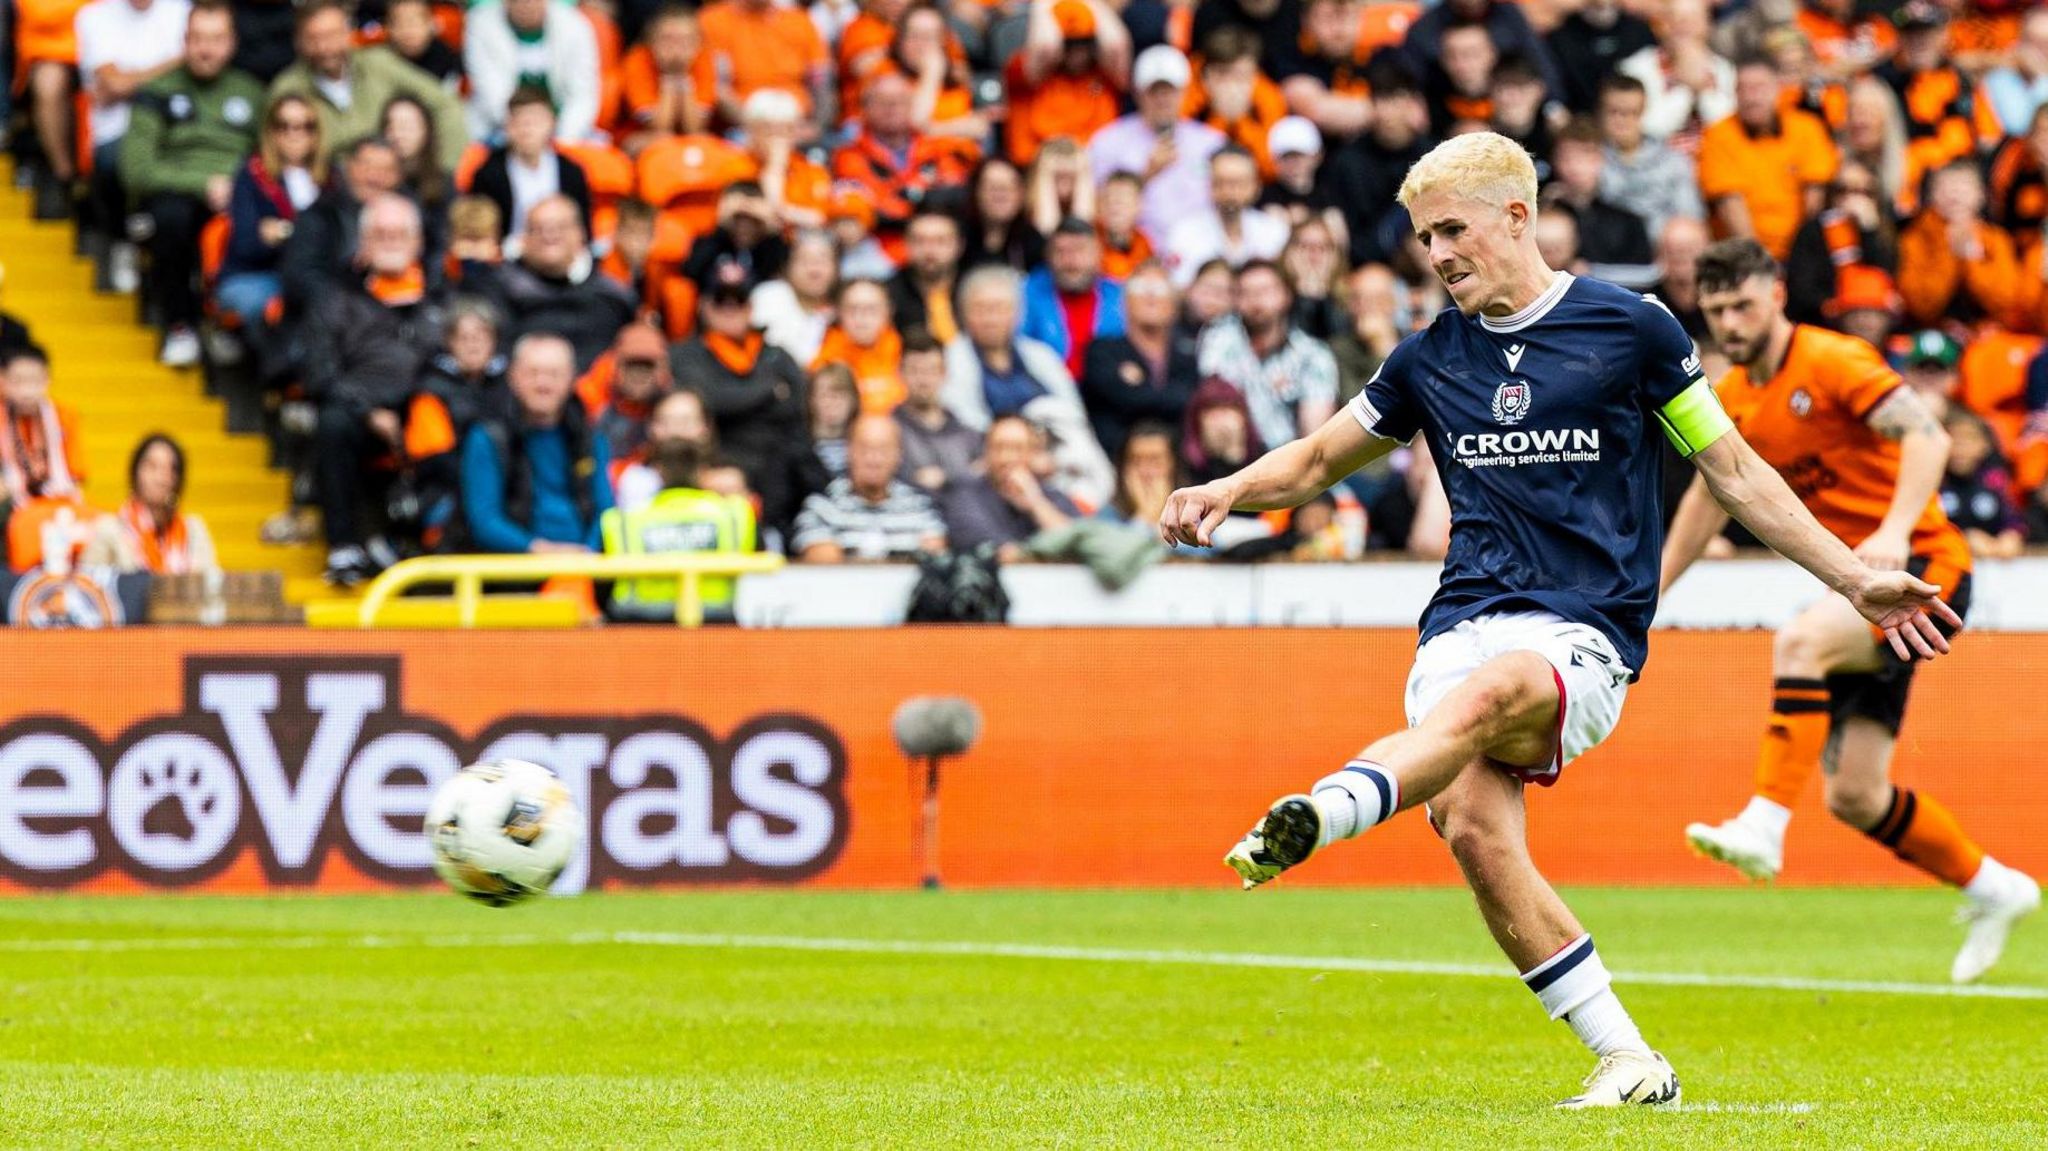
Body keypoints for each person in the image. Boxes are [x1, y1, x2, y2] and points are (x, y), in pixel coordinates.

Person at [1164, 132, 1958, 1107]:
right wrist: (1224, 487)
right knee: (1473, 830)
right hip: (1457, 620)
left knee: (1487, 699)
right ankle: (1628, 1057)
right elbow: (1314, 463)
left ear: (1516, 215)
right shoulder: (1424, 358)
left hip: (1580, 633)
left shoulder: (1635, 330)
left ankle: (1320, 810)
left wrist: (1850, 575)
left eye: (1451, 228)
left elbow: (1733, 470)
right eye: (1422, 238)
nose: (1438, 253)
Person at [1667, 239, 2037, 984]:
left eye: (1743, 304)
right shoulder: (1732, 398)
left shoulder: (1833, 361)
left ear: (1776, 293)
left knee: (1803, 642)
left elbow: (1926, 432)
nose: (1732, 322)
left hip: (1926, 569)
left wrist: (1896, 528)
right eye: (1717, 311)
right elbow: (1709, 497)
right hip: (1863, 586)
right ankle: (1998, 887)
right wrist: (1646, 597)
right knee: (1857, 796)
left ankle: (1764, 825)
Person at [303, 194, 451, 585]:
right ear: (363, 243)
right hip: (361, 418)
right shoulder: (336, 298)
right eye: (380, 233)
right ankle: (344, 548)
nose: (390, 241)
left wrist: (418, 407)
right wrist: (371, 412)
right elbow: (319, 374)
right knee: (333, 421)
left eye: (399, 233)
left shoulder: (443, 298)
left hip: (429, 415)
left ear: (418, 242)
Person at [118, 1, 265, 367]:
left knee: (257, 223)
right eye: (197, 38)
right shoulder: (157, 90)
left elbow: (270, 157)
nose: (205, 48)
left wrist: (241, 188)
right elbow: (135, 168)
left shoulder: (252, 92)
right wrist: (204, 184)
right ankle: (180, 326)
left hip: (238, 193)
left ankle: (225, 324)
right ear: (184, 41)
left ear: (232, 43)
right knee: (171, 219)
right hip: (177, 193)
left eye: (216, 39)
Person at [670, 272, 811, 532]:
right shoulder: (685, 355)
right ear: (704, 306)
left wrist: (735, 399)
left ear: (751, 308)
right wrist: (769, 390)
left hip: (776, 474)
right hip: (716, 472)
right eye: (721, 301)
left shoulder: (776, 355)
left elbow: (797, 407)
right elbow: (711, 400)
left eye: (739, 301)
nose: (730, 309)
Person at [460, 332, 615, 554]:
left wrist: (586, 553)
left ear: (572, 378)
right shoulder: (488, 437)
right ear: (513, 376)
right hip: (513, 572)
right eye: (532, 373)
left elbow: (606, 512)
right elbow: (484, 520)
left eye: (554, 374)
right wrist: (540, 550)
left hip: (583, 569)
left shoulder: (590, 438)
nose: (543, 384)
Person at [268, 0, 466, 170]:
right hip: (326, 193)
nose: (324, 47)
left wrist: (446, 171)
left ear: (348, 32)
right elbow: (272, 155)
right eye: (314, 38)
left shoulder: (379, 63)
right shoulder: (287, 89)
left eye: (332, 35)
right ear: (299, 41)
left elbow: (444, 105)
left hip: (392, 180)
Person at [465, 195, 638, 372]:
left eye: (560, 227)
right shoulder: (496, 291)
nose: (549, 236)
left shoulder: (613, 296)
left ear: (580, 234)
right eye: (538, 229)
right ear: (523, 238)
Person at [600, 440, 757, 621]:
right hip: (715, 628)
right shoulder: (735, 515)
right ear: (702, 471)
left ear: (658, 471)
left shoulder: (623, 521)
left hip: (639, 628)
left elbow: (603, 587)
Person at [1086, 43, 1223, 249]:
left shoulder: (1211, 142)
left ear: (1184, 91)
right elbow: (1094, 207)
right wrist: (1145, 175)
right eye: (1154, 91)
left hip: (1201, 254)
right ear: (1138, 93)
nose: (1162, 99)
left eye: (1169, 91)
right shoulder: (1107, 142)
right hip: (1132, 253)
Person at [1196, 259, 1336, 449]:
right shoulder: (1219, 339)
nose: (1256, 300)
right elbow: (1212, 403)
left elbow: (1314, 436)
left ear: (1286, 295)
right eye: (1246, 292)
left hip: (1291, 461)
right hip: (1231, 461)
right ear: (1235, 299)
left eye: (1265, 291)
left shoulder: (1313, 355)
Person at [217, 93, 327, 332]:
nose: (294, 134)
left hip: (314, 277)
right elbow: (247, 244)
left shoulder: (331, 178)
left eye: (304, 127)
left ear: (316, 132)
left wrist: (283, 232)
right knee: (270, 307)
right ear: (270, 132)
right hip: (259, 275)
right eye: (283, 126)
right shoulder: (251, 174)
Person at [790, 414, 947, 561]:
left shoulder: (920, 507)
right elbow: (822, 564)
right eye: (865, 449)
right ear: (848, 451)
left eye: (883, 449)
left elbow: (934, 556)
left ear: (899, 455)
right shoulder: (822, 507)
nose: (873, 459)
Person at [1078, 262, 1193, 460]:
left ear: (1174, 304)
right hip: (1113, 460)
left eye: (1159, 289)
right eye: (1141, 287)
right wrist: (1166, 397)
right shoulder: (1101, 350)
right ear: (1124, 301)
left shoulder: (1187, 356)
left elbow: (1190, 399)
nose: (1150, 296)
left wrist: (1139, 389)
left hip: (1177, 464)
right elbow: (1119, 397)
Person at [935, 413, 1078, 557]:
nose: (1006, 458)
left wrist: (1035, 503)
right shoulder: (964, 492)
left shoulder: (1052, 496)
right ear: (986, 451)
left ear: (1032, 452)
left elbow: (1079, 542)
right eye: (998, 447)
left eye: (1017, 448)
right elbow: (980, 542)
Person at [468, 86, 595, 245]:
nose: (527, 129)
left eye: (535, 121)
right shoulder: (488, 174)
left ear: (552, 123)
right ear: (507, 127)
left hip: (561, 254)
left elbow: (583, 230)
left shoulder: (571, 172)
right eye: (520, 122)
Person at [463, 0, 603, 143]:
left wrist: (563, 139)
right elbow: (490, 91)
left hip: (564, 128)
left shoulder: (575, 25)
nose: (526, 5)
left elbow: (583, 93)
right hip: (499, 127)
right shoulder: (481, 24)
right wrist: (523, 132)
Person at [89, 433, 218, 574]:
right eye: (152, 466)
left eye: (170, 469)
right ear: (135, 473)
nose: (161, 478)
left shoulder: (193, 530)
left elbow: (208, 584)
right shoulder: (110, 529)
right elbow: (87, 587)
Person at [1163, 146, 1288, 288]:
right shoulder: (1184, 232)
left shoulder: (1275, 230)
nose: (1230, 191)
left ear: (1256, 186)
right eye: (1221, 182)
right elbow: (1178, 287)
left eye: (1239, 183)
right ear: (1210, 185)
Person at [1021, 218, 1125, 380]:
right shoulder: (1027, 294)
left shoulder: (1120, 297)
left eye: (1079, 251)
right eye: (1061, 252)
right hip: (1046, 389)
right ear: (1048, 257)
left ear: (1098, 255)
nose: (1070, 262)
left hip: (1110, 391)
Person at [894, 330, 980, 493]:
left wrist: (947, 477)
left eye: (931, 370)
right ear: (900, 372)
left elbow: (983, 471)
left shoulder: (967, 430)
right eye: (915, 370)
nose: (923, 380)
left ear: (944, 374)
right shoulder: (889, 430)